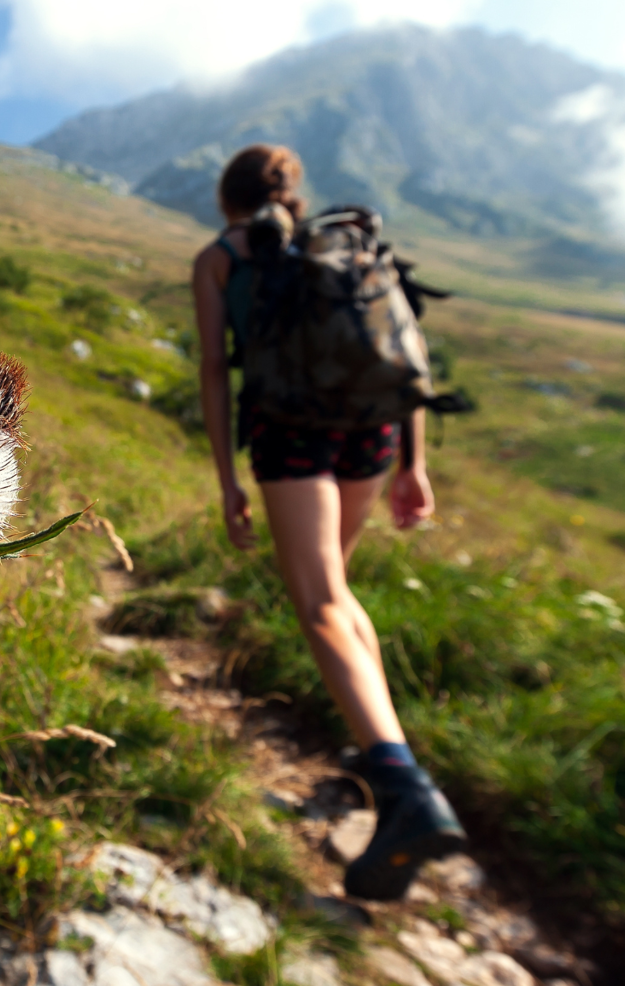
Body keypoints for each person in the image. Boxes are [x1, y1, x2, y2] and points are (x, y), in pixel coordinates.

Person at [190, 145, 466, 901]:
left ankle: (405, 788)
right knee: (336, 593)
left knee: (318, 606)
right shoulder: (343, 245)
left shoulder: (221, 258)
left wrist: (228, 479)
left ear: (227, 198)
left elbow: (215, 369)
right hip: (372, 430)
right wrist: (414, 462)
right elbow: (402, 346)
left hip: (291, 434)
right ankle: (382, 754)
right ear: (292, 194)